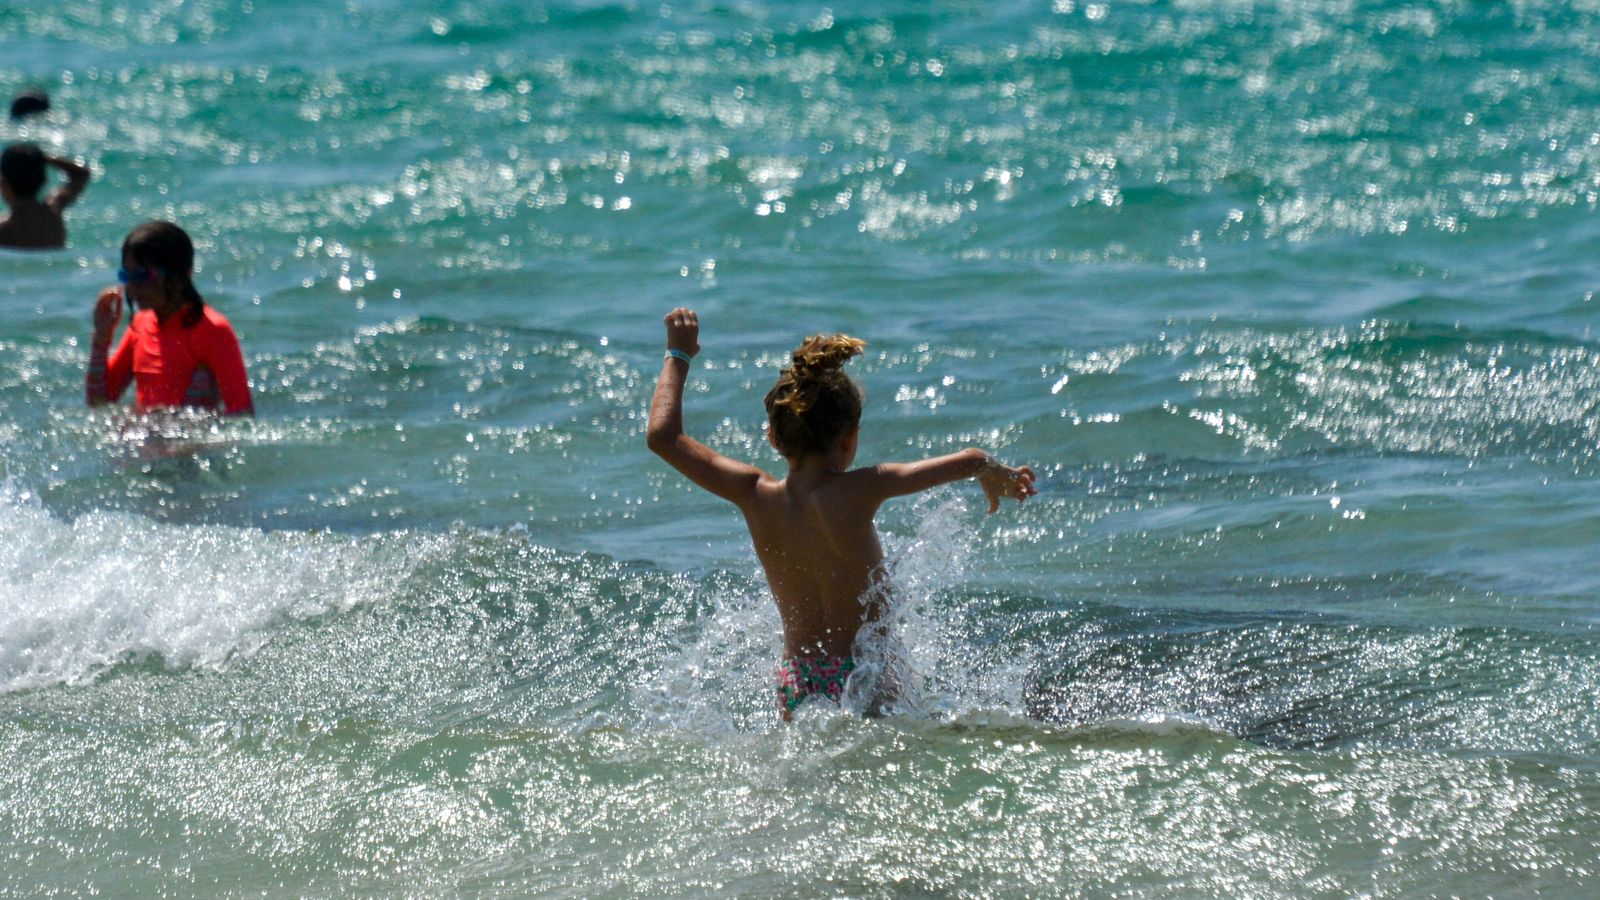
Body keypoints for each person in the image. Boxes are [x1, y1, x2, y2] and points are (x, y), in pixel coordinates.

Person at [647, 307, 1036, 718]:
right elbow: (968, 459)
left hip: (799, 677)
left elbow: (663, 437)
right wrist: (993, 471)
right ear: (850, 438)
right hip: (866, 673)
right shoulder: (862, 488)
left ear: (773, 437)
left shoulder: (754, 494)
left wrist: (679, 354)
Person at [86, 220, 254, 416]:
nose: (131, 287)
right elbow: (99, 401)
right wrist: (102, 336)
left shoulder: (213, 331)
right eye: (127, 276)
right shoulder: (140, 325)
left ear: (179, 276)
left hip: (190, 445)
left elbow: (241, 413)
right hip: (142, 442)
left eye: (141, 276)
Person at [0, 142, 90, 250]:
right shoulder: (54, 211)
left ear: (4, 183)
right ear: (44, 181)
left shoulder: (4, 229)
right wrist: (43, 158)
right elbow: (81, 174)